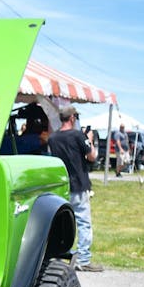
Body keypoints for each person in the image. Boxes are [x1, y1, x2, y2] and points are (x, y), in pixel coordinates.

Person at [51, 105, 100, 271]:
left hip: (62, 185)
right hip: (79, 184)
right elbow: (92, 156)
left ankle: (60, 255)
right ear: (72, 118)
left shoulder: (53, 138)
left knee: (62, 222)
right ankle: (83, 259)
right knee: (83, 222)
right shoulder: (78, 135)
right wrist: (90, 139)